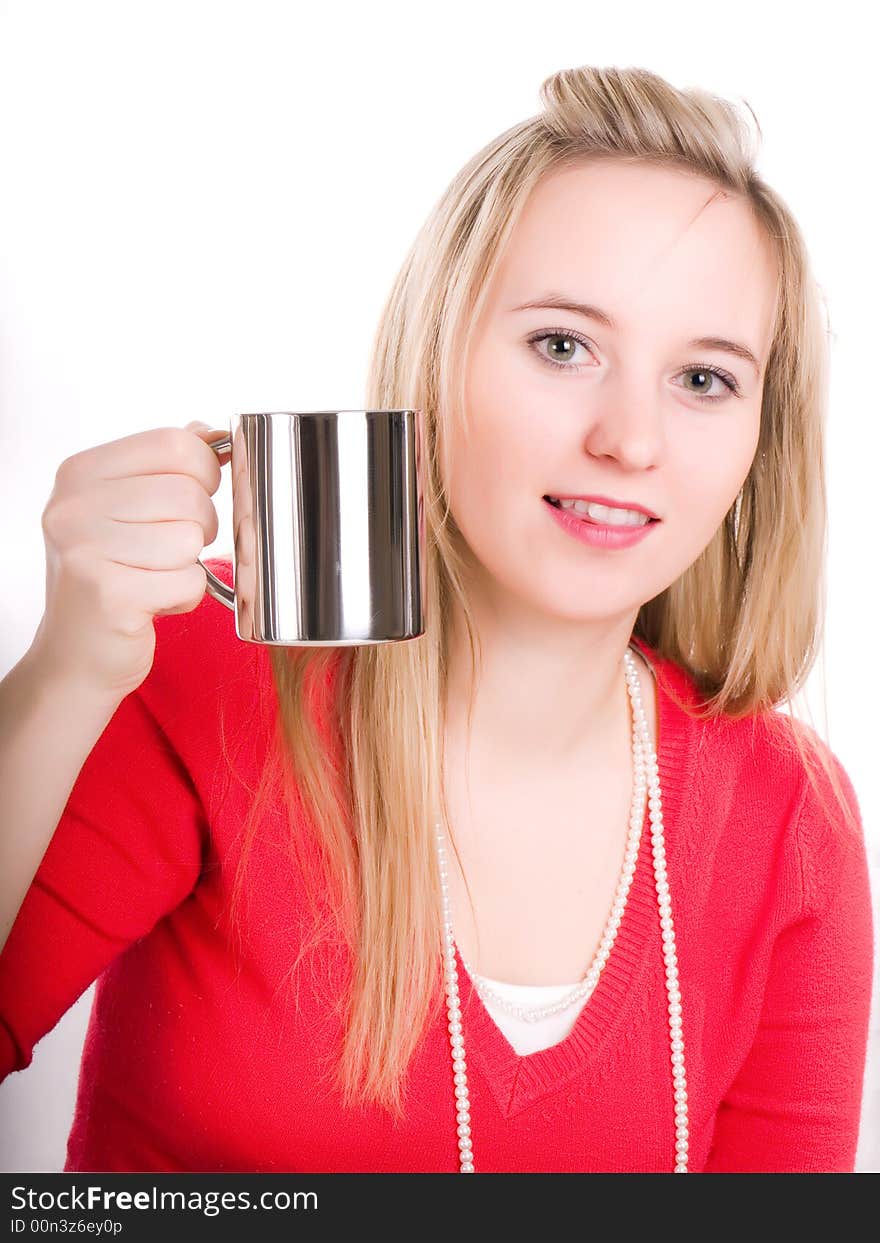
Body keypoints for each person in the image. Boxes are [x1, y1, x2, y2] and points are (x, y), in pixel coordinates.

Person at [0, 64, 873, 1174]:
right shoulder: (192, 679)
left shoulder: (789, 818)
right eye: (563, 346)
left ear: (758, 444)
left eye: (704, 379)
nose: (631, 440)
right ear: (435, 359)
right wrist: (66, 673)